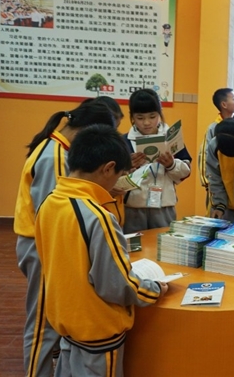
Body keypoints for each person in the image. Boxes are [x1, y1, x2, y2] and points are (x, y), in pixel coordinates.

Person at [34, 124, 167, 377]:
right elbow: (117, 285)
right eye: (119, 175)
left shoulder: (48, 203)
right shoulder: (98, 216)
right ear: (108, 168)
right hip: (98, 329)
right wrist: (155, 289)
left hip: (66, 321)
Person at [13, 101, 116, 377]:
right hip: (41, 245)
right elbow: (56, 213)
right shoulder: (56, 157)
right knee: (41, 326)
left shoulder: (54, 146)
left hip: (41, 242)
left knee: (49, 320)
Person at [123, 89, 191, 232]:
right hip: (133, 208)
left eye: (152, 116)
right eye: (140, 118)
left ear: (160, 113)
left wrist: (171, 165)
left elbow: (186, 172)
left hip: (164, 206)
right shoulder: (123, 142)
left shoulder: (172, 138)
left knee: (163, 243)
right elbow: (112, 180)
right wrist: (126, 168)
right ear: (132, 117)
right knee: (134, 244)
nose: (147, 122)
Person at [198, 88, 234, 213]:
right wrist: (208, 183)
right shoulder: (214, 128)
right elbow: (205, 155)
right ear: (224, 104)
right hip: (218, 183)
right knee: (217, 215)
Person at [94, 96, 129, 227]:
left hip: (116, 217)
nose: (114, 132)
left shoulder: (114, 144)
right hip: (100, 220)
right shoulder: (89, 149)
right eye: (112, 128)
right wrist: (106, 190)